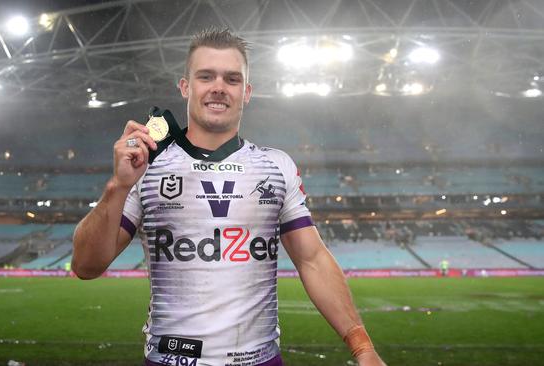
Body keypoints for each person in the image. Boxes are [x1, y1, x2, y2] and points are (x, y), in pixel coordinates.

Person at [72, 28, 386, 366]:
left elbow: (312, 259)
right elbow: (86, 266)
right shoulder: (146, 166)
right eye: (206, 76)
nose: (219, 87)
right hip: (169, 359)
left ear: (247, 92)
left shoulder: (276, 166)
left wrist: (362, 346)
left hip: (260, 360)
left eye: (232, 79)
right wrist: (117, 187)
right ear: (185, 87)